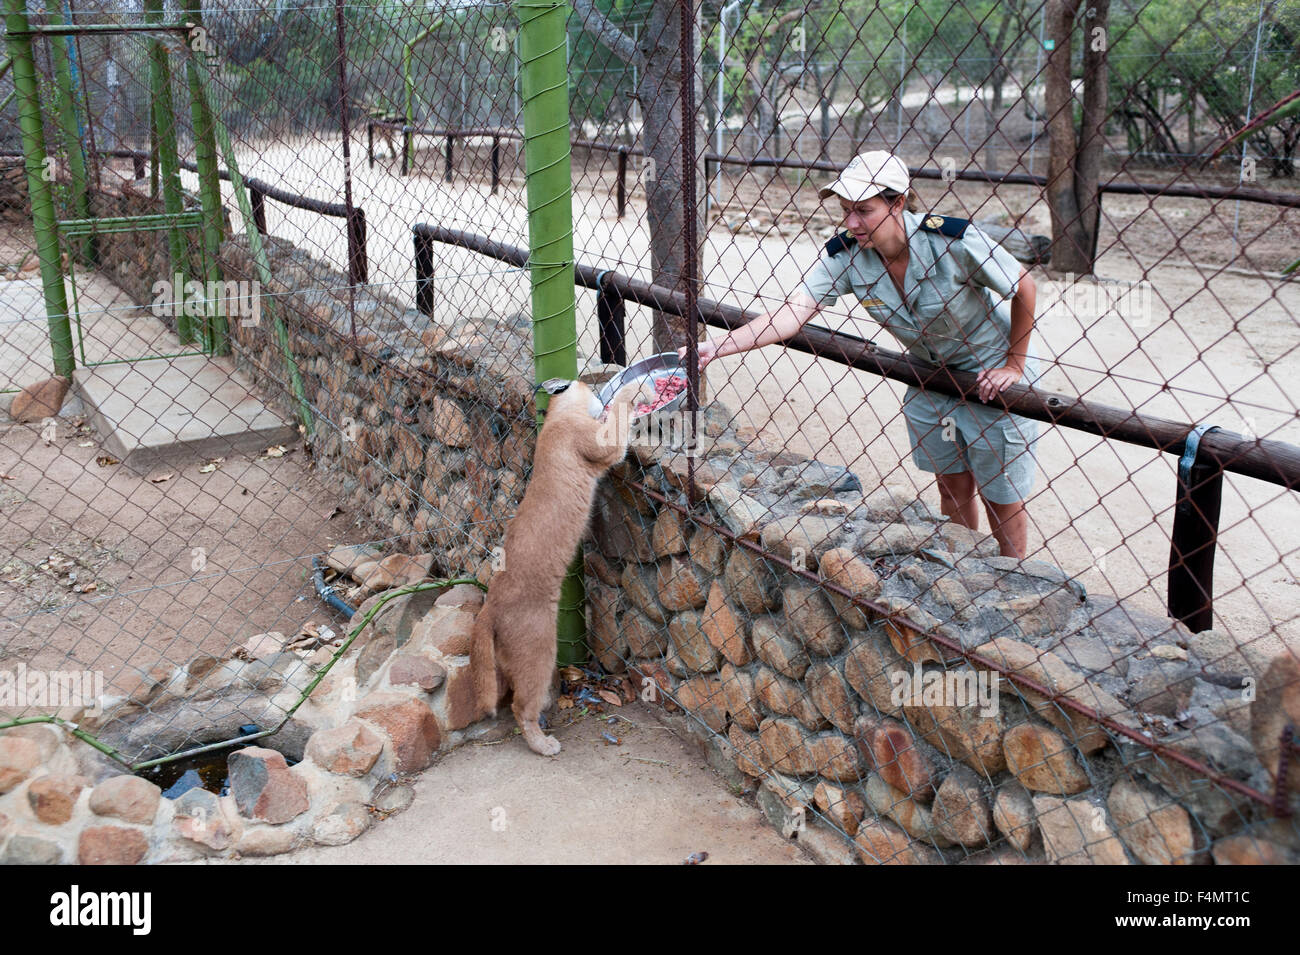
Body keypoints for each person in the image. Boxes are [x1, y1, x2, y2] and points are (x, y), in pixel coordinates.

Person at [680, 150, 1042, 558]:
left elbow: (1024, 286)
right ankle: (966, 569)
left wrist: (1014, 364)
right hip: (932, 376)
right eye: (846, 210)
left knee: (1001, 495)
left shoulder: (951, 240)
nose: (851, 222)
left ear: (899, 202)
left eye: (864, 211)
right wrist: (713, 348)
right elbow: (794, 312)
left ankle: (1013, 577)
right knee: (951, 485)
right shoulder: (847, 253)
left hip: (988, 373)